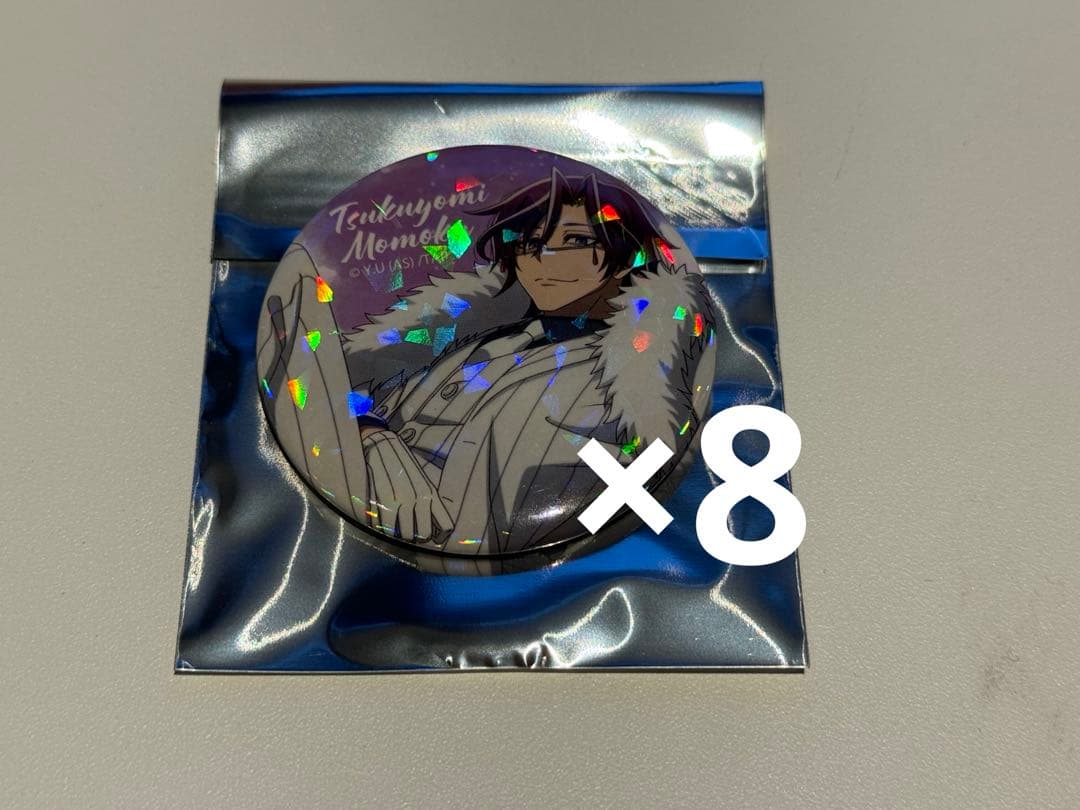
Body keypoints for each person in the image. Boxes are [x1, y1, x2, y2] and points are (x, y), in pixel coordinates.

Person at [258, 169, 717, 555]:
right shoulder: (487, 337)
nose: (544, 259)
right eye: (528, 244)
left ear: (628, 256)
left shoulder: (627, 390)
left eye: (576, 240)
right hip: (333, 516)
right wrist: (372, 434)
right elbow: (357, 399)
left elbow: (542, 516)